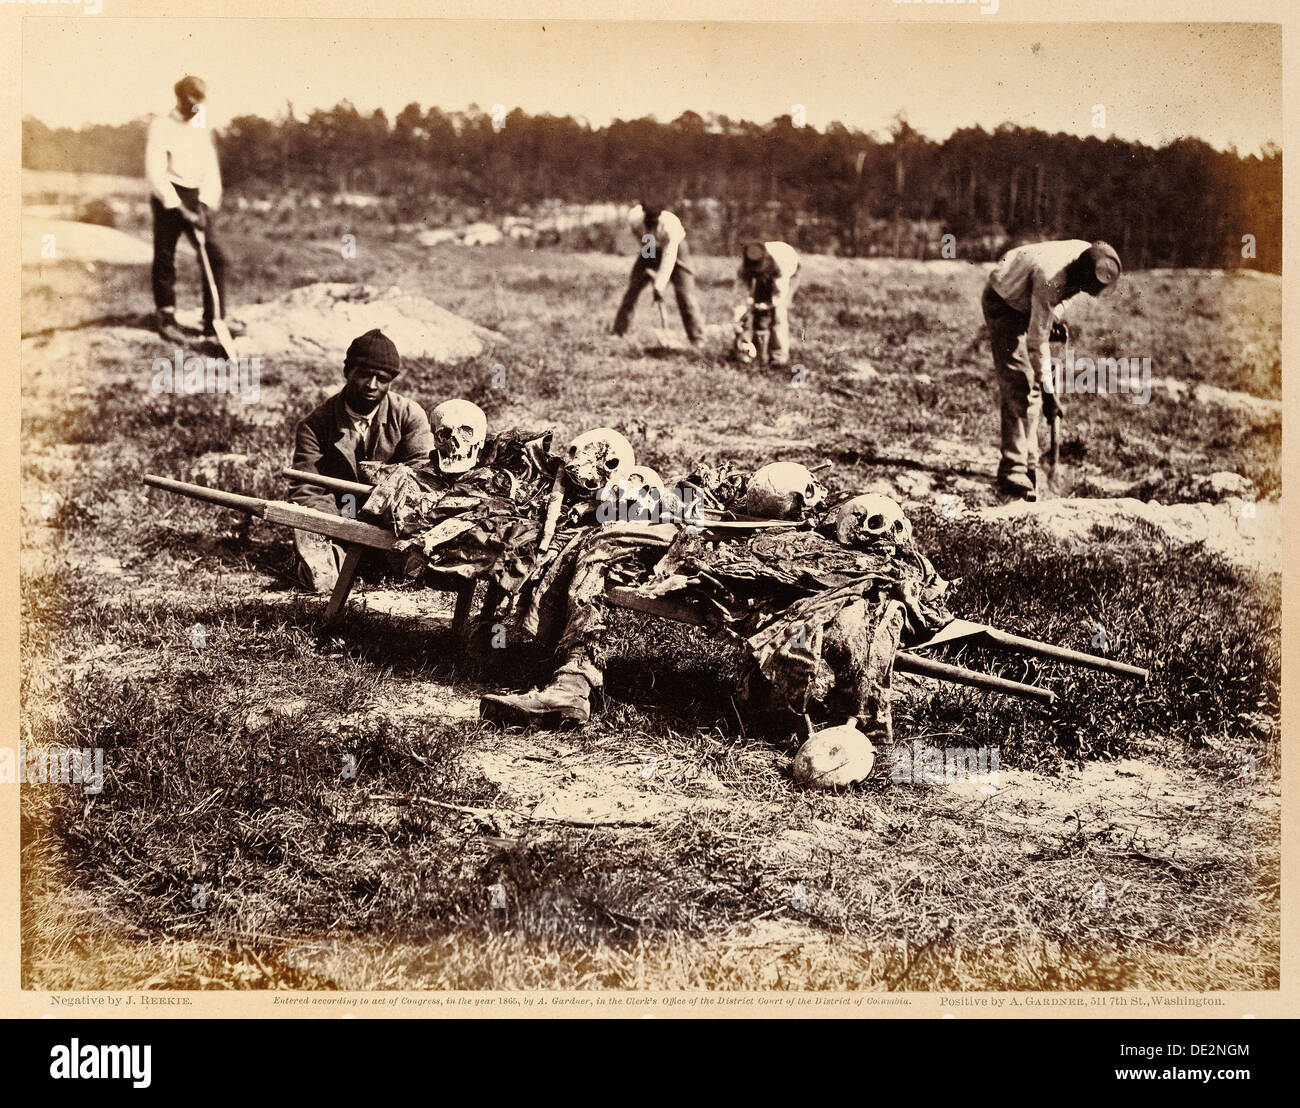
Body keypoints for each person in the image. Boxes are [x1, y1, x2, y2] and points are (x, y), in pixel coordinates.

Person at [287, 329, 436, 592]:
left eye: (382, 378)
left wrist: (384, 517)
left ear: (392, 381)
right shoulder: (315, 425)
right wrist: (342, 528)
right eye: (365, 374)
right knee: (323, 573)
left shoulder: (409, 416)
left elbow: (423, 476)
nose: (372, 385)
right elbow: (305, 490)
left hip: (392, 524)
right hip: (338, 522)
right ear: (348, 372)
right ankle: (328, 559)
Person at [982, 239, 1122, 499]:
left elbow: (1064, 296)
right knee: (1019, 383)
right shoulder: (1051, 279)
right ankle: (1012, 468)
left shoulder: (1087, 254)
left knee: (1031, 385)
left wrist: (1052, 319)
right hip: (1003, 301)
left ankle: (1029, 462)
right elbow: (1037, 342)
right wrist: (1050, 394)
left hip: (1029, 295)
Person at [145, 76, 243, 346]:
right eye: (191, 101)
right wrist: (177, 207)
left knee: (216, 256)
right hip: (169, 194)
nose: (196, 107)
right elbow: (155, 171)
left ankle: (214, 320)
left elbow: (211, 170)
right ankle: (166, 317)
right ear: (179, 98)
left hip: (196, 197)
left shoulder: (202, 126)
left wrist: (204, 205)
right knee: (165, 256)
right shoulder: (161, 125)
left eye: (200, 101)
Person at [612, 202, 705, 346]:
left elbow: (668, 259)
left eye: (654, 219)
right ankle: (618, 332)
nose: (651, 222)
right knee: (632, 289)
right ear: (644, 214)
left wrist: (659, 286)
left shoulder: (670, 226)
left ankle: (697, 338)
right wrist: (649, 267)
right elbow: (639, 241)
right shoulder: (635, 219)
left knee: (685, 294)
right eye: (648, 218)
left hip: (676, 251)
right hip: (650, 246)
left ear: (660, 216)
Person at [738, 241, 801, 366]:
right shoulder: (746, 266)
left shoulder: (781, 265)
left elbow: (780, 295)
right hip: (769, 273)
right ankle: (756, 354)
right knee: (756, 318)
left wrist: (767, 305)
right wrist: (741, 312)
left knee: (778, 316)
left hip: (788, 274)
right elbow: (740, 293)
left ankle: (779, 357)